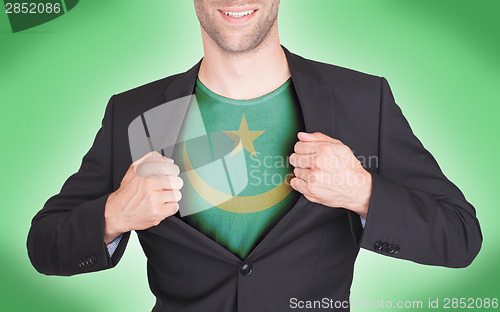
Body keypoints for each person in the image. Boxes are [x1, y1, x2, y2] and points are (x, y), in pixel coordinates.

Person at [27, 1, 482, 311]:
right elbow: (44, 245)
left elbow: (460, 236)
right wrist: (114, 214)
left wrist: (363, 191)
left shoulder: (362, 100)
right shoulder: (135, 113)